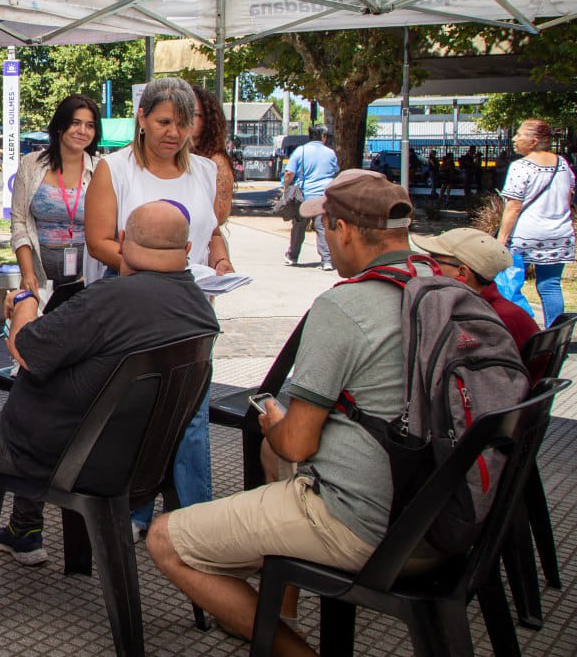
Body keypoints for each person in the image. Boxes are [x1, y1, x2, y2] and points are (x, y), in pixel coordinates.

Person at [148, 170, 419, 653]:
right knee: (278, 466)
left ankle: (291, 648)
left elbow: (296, 442)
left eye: (325, 227)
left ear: (346, 231)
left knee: (165, 539)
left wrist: (273, 419)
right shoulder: (443, 287)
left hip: (362, 520)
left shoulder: (346, 306)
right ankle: (280, 601)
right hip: (442, 516)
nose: (323, 238)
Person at [0, 201, 219, 595]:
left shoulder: (110, 299)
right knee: (45, 403)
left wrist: (23, 303)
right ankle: (23, 529)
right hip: (141, 463)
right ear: (186, 251)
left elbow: (27, 349)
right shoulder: (201, 308)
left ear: (121, 242)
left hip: (73, 455)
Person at [85, 77, 230, 531]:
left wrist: (221, 258)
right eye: (164, 121)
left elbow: (210, 232)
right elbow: (98, 241)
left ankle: (194, 519)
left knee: (191, 412)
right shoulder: (116, 168)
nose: (174, 132)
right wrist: (142, 265)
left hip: (192, 308)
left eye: (183, 123)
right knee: (137, 411)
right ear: (142, 119)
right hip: (136, 307)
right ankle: (133, 509)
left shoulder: (204, 170)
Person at [10, 95, 100, 294]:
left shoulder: (101, 170)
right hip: (39, 275)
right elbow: (19, 222)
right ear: (60, 126)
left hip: (88, 275)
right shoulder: (30, 164)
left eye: (90, 125)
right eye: (75, 123)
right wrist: (27, 274)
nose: (82, 131)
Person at [497, 119, 576, 326]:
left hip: (525, 235)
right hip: (559, 234)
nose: (515, 139)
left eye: (519, 135)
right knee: (550, 286)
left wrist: (501, 240)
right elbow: (568, 200)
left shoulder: (520, 166)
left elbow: (513, 207)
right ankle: (555, 336)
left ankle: (524, 330)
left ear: (533, 141)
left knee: (510, 286)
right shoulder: (562, 164)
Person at [412, 227, 538, 351]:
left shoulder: (489, 320)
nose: (429, 266)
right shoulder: (494, 308)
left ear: (462, 273)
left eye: (433, 260)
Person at [283, 125, 338, 270]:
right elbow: (335, 172)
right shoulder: (330, 153)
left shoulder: (300, 151)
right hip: (324, 196)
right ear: (323, 137)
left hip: (304, 196)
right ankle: (326, 260)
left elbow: (289, 173)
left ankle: (292, 256)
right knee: (322, 227)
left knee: (298, 227)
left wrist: (285, 189)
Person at [191, 86, 235, 235]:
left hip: (206, 243)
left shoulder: (216, 161)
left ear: (207, 120)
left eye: (194, 114)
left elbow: (220, 215)